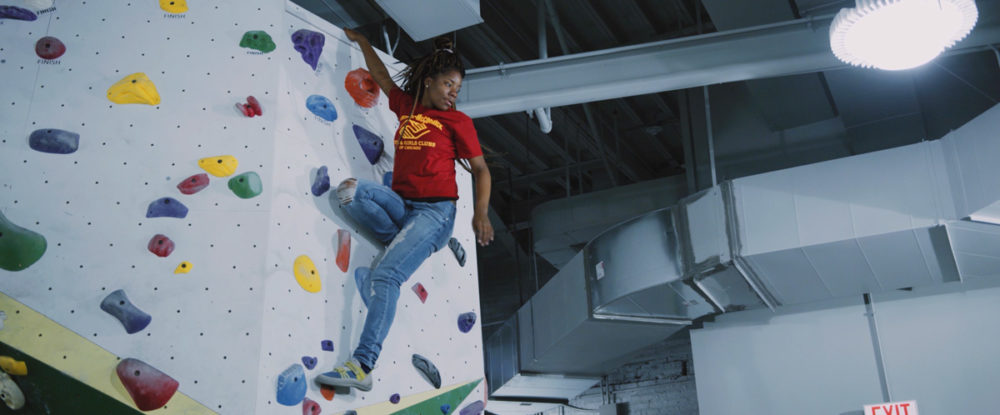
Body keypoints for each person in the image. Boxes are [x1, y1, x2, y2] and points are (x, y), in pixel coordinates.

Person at [315, 28, 494, 392]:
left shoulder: (457, 122)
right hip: (402, 206)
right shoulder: (407, 106)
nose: (452, 94)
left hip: (434, 215)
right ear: (428, 82)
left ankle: (362, 366)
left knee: (385, 277)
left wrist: (481, 213)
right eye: (447, 85)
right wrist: (362, 42)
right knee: (349, 192)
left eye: (457, 89)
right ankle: (400, 246)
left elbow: (481, 169)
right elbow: (380, 76)